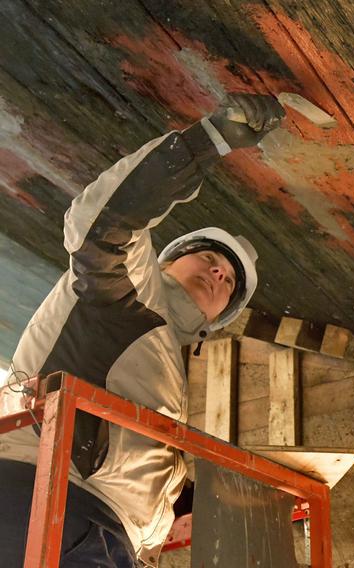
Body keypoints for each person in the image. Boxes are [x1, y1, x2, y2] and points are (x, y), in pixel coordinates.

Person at [0, 93, 285, 567]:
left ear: (221, 317)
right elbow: (98, 224)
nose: (218, 274)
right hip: (44, 504)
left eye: (229, 282)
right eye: (210, 260)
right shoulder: (120, 290)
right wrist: (207, 141)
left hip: (102, 537)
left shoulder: (181, 381)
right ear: (167, 261)